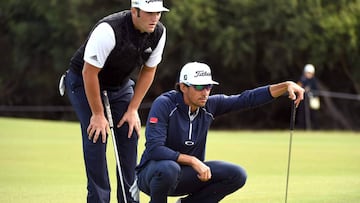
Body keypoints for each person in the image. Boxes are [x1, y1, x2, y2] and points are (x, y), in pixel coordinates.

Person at [135, 62, 305, 203]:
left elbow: (246, 99)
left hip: (187, 176)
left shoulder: (209, 105)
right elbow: (155, 149)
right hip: (151, 174)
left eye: (208, 86)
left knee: (236, 175)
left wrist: (285, 86)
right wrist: (193, 161)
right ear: (183, 87)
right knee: (169, 168)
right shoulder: (164, 104)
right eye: (199, 86)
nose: (205, 92)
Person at [59, 0, 169, 202]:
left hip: (119, 85)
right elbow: (89, 72)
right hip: (84, 81)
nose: (155, 18)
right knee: (97, 135)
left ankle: (129, 199)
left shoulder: (159, 33)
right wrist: (98, 114)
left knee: (130, 132)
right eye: (149, 12)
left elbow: (149, 71)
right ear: (134, 11)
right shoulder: (109, 30)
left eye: (158, 13)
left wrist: (133, 109)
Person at [296, 64, 320, 130]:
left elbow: (317, 90)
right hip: (303, 100)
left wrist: (312, 93)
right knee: (302, 115)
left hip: (312, 100)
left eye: (310, 73)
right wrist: (304, 89)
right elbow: (298, 87)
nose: (309, 74)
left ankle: (315, 129)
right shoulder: (302, 79)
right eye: (307, 73)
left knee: (314, 115)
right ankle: (301, 128)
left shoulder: (314, 80)